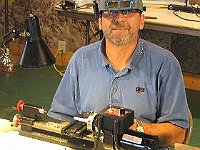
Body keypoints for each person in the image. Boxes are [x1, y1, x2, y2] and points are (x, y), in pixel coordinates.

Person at [48, 0, 189, 148]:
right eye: (110, 12)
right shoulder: (81, 59)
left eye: (128, 12)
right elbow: (64, 118)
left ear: (141, 21)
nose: (119, 19)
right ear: (100, 22)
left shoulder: (165, 64)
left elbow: (178, 133)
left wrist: (138, 129)